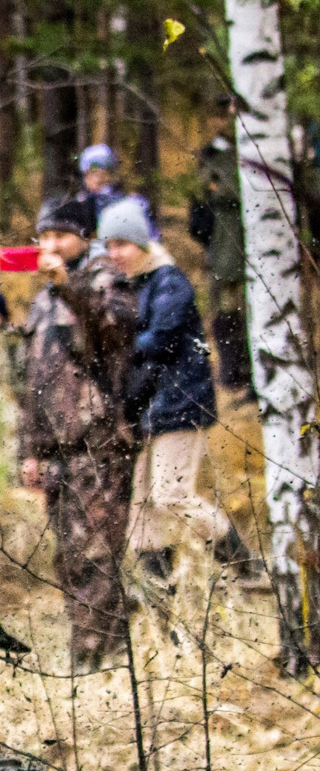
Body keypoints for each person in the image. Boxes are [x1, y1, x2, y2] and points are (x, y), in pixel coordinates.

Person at [99, 199, 268, 587]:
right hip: (149, 408)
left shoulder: (168, 282)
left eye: (122, 244)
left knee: (171, 494)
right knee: (141, 503)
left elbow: (159, 340)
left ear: (142, 243)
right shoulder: (134, 285)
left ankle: (245, 565)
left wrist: (117, 342)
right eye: (109, 246)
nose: (115, 254)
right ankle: (158, 588)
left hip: (179, 403)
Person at [19, 195, 140, 672]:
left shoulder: (107, 280)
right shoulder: (42, 299)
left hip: (100, 445)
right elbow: (30, 380)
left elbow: (114, 331)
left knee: (96, 556)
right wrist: (28, 451)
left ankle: (91, 661)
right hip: (55, 451)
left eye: (60, 235)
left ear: (83, 238)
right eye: (43, 236)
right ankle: (108, 649)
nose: (50, 244)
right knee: (69, 560)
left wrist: (68, 285)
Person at [190, 102, 252, 390]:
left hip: (244, 242)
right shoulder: (210, 153)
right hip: (222, 244)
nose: (221, 122)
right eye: (216, 115)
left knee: (244, 308)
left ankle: (247, 373)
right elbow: (199, 198)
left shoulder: (251, 149)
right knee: (226, 311)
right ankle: (233, 372)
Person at [78, 144, 159, 241]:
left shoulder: (134, 203)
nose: (96, 179)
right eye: (90, 174)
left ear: (112, 174)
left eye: (102, 173)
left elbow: (151, 239)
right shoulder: (79, 205)